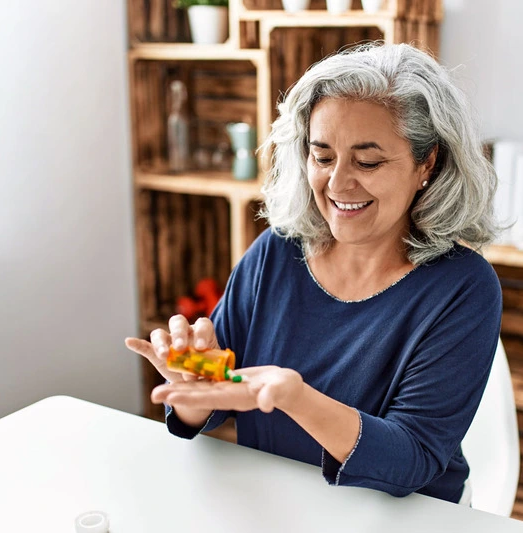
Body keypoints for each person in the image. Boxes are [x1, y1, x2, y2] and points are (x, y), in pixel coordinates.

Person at [125, 42, 502, 505]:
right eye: (323, 157)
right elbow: (220, 392)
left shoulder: (463, 287)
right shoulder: (276, 254)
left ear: (429, 163)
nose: (338, 183)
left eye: (368, 161)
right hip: (278, 505)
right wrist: (189, 390)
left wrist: (293, 397)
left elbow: (415, 458)